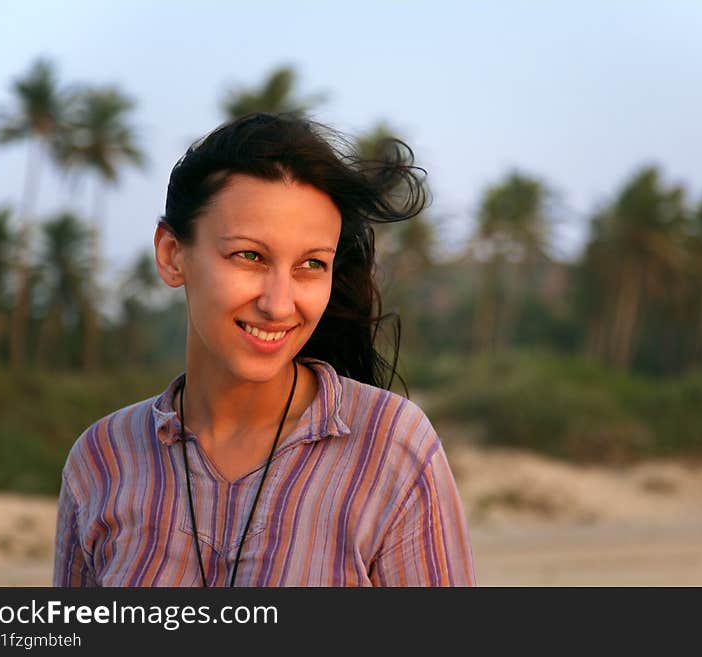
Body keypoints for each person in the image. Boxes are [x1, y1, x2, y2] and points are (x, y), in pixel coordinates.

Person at [52, 112, 476, 587]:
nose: (278, 304)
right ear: (172, 254)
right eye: (250, 256)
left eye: (311, 265)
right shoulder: (102, 460)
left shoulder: (391, 450)